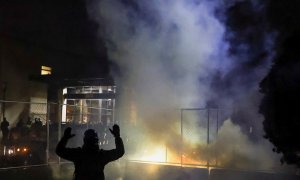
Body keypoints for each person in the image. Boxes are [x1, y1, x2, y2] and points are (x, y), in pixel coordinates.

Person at [56, 124, 125, 180]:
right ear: (97, 141)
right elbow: (120, 152)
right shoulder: (101, 156)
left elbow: (59, 151)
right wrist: (117, 137)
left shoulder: (78, 154)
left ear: (85, 140)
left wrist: (65, 138)